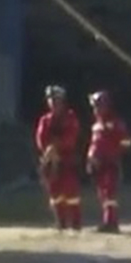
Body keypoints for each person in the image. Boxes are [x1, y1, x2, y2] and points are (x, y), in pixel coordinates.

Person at [34, 85, 82, 232]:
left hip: (67, 160)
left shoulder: (70, 117)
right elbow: (40, 138)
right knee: (55, 192)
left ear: (62, 101)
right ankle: (60, 222)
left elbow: (72, 137)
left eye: (56, 100)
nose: (53, 104)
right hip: (51, 161)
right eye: (50, 100)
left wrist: (56, 146)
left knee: (71, 192)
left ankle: (75, 223)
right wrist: (47, 150)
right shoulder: (45, 120)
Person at [86, 90, 131, 233]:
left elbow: (126, 142)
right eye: (94, 107)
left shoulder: (116, 124)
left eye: (98, 106)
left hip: (110, 165)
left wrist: (111, 155)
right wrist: (91, 159)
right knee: (103, 194)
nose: (96, 110)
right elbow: (94, 144)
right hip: (98, 165)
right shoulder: (96, 125)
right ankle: (107, 221)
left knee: (109, 194)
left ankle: (111, 223)